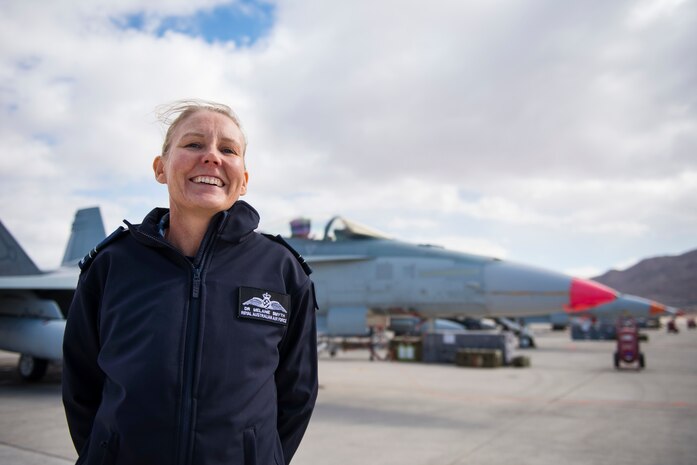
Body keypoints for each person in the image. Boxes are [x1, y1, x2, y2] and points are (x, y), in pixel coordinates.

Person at [62, 100, 318, 465]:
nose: (212, 157)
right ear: (160, 168)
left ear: (243, 180)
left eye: (228, 149)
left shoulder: (283, 271)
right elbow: (80, 385)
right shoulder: (110, 265)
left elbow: (297, 395)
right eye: (194, 144)